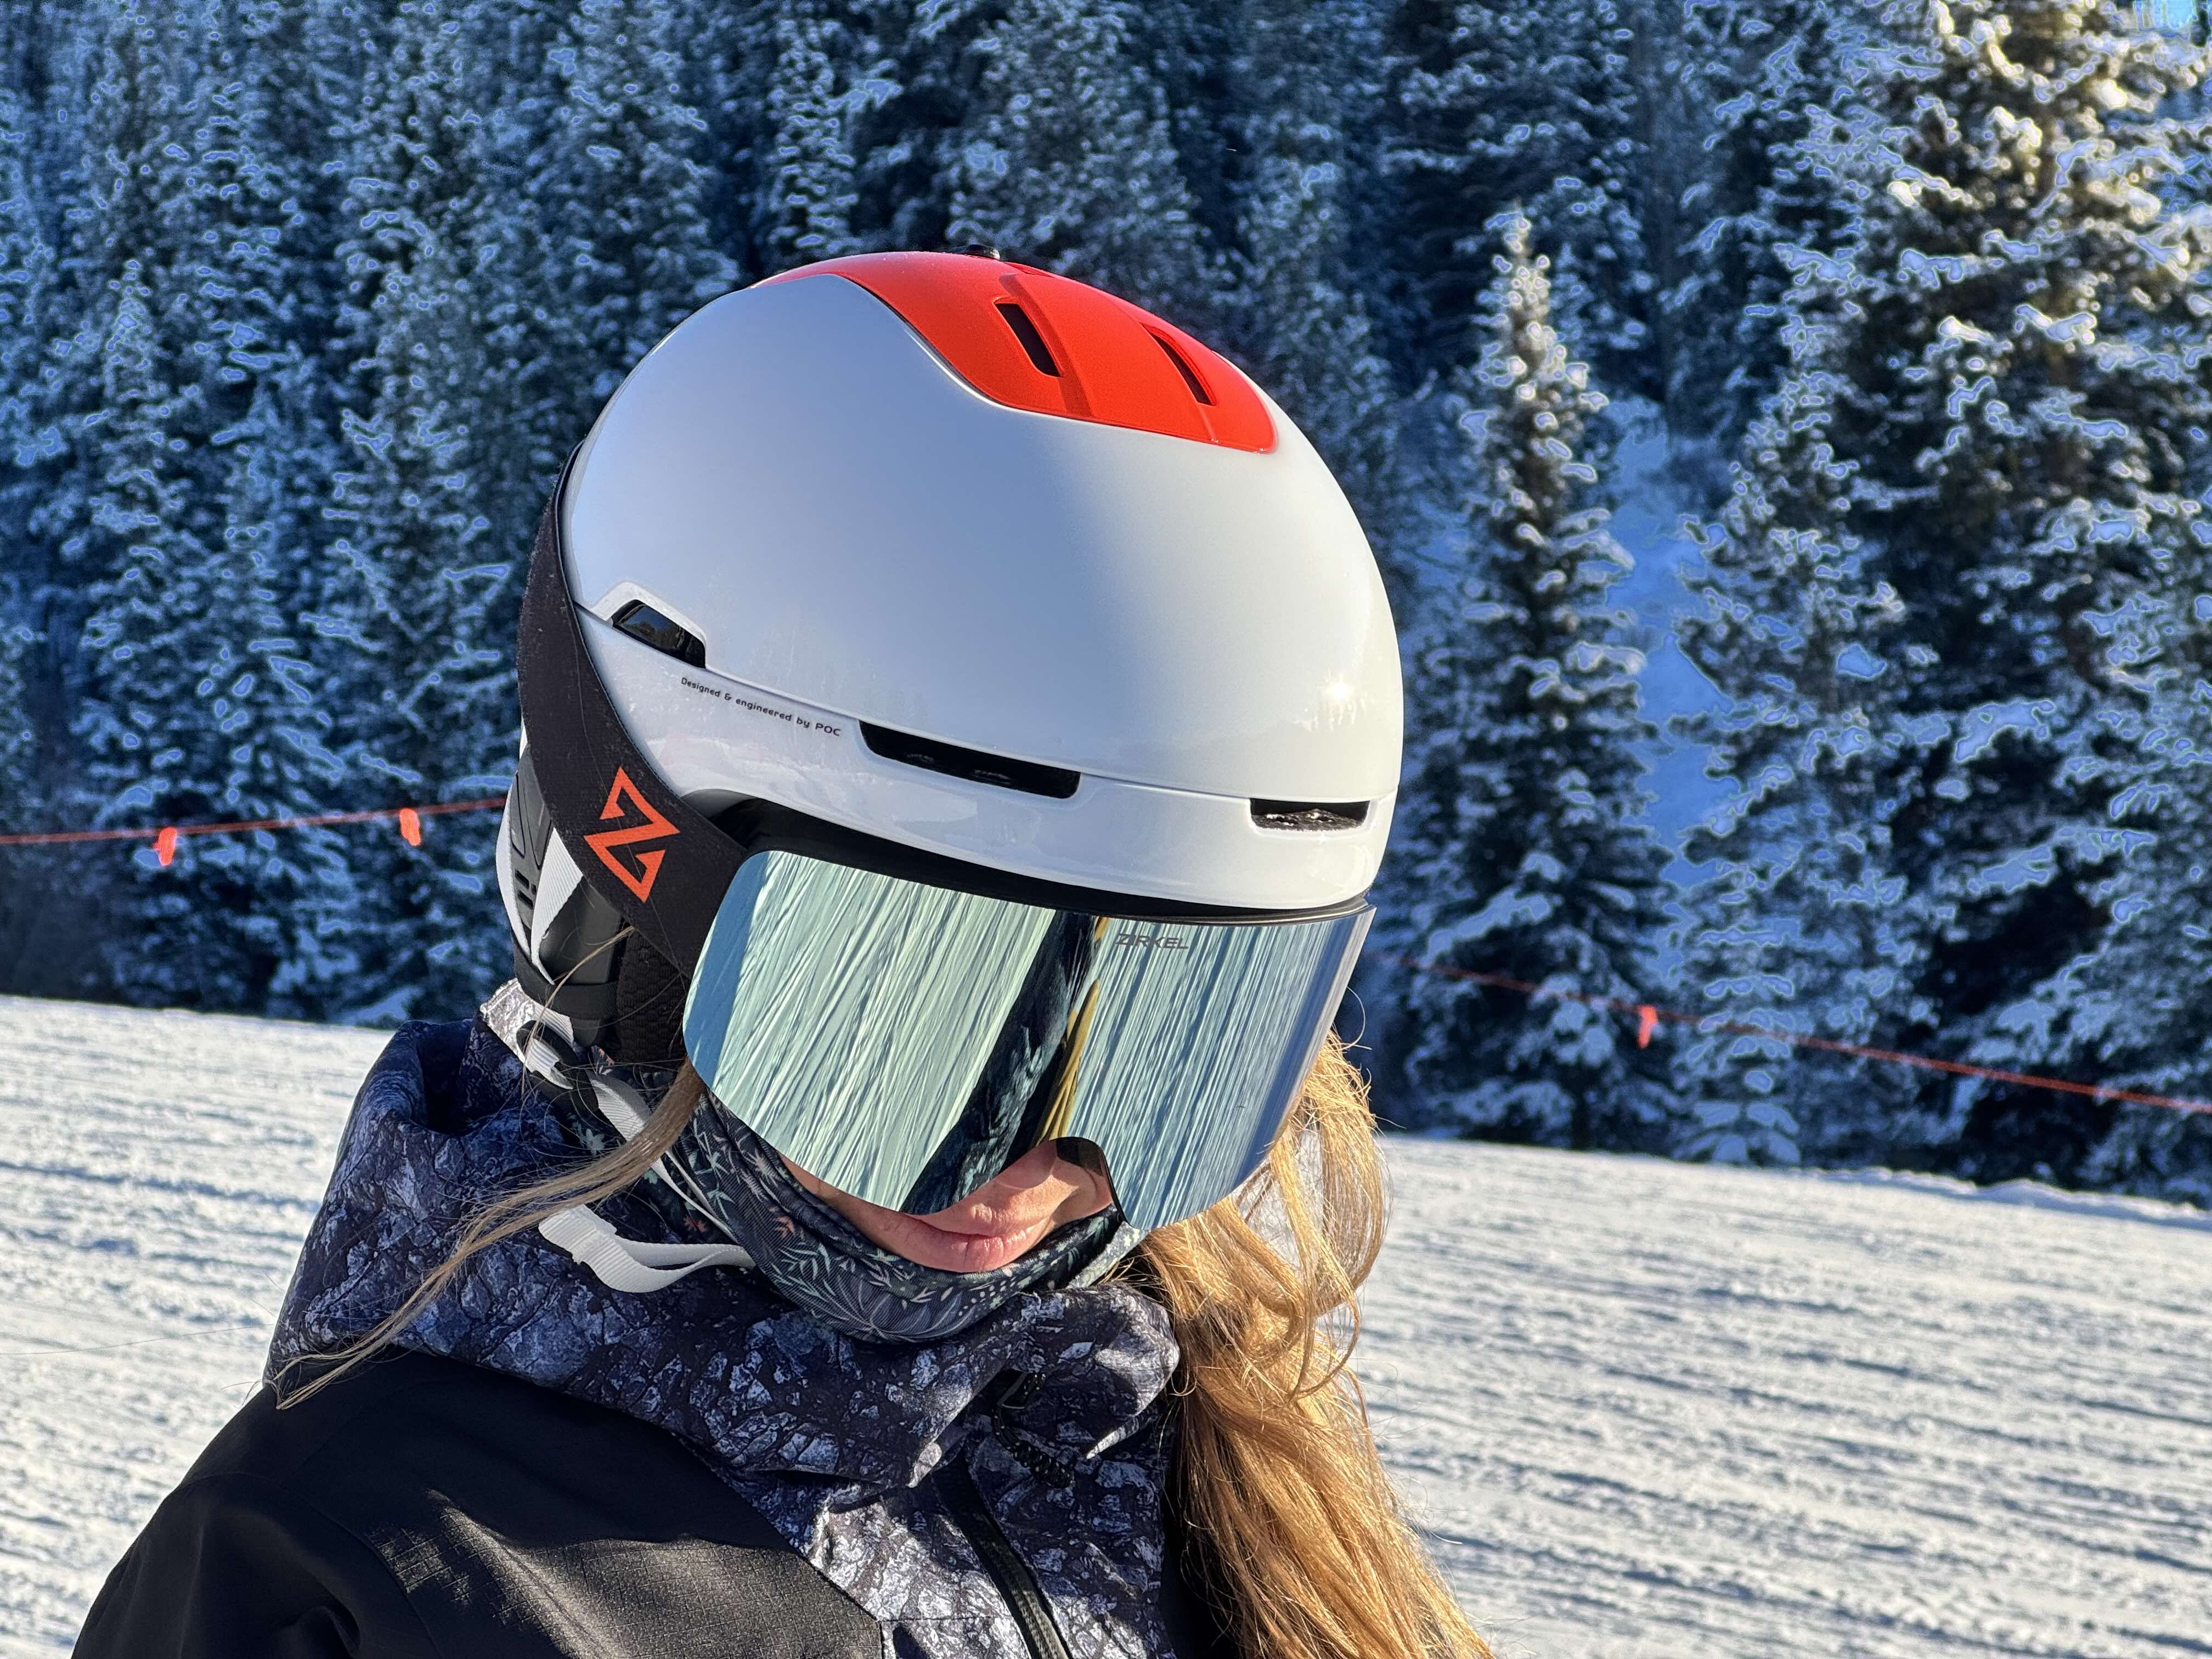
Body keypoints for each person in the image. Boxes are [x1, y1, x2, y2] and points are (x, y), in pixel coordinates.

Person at [74, 251, 1490, 1659]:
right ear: (623, 918)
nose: (1038, 1166)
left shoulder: (1182, 1437)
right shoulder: (343, 1590)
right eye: (919, 1017)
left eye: (1174, 1040)